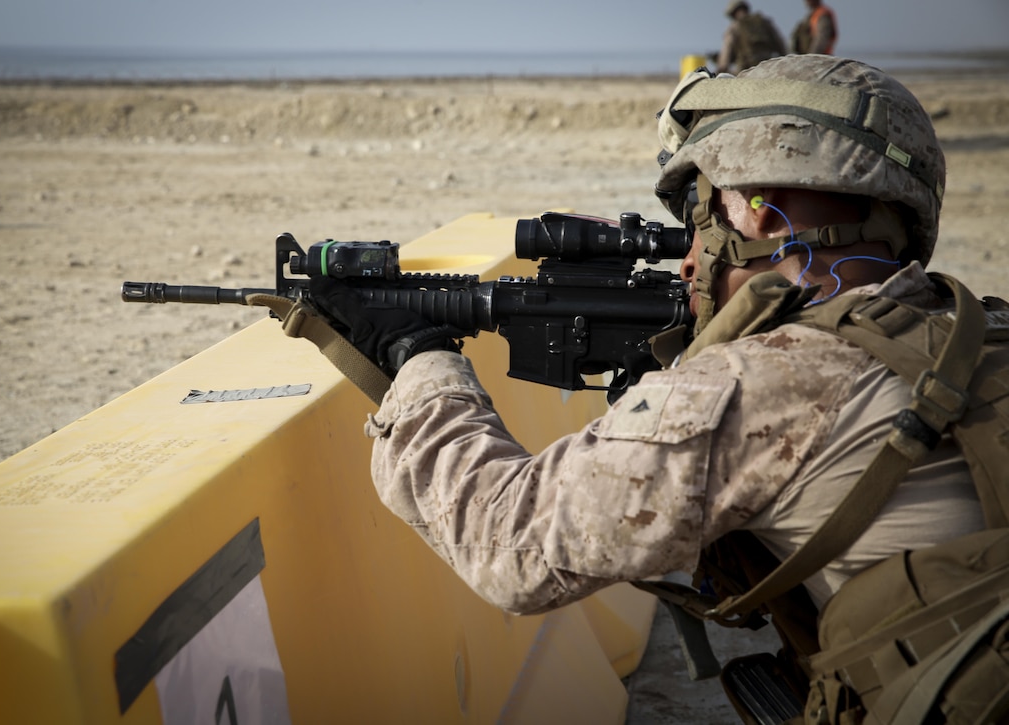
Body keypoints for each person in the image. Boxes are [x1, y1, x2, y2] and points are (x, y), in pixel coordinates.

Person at [305, 55, 1007, 721]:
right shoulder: (975, 332)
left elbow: (510, 542)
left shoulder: (773, 379)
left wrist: (416, 356)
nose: (691, 260)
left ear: (758, 210)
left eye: (702, 217)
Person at [715, 0, 787, 74]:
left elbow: (726, 51)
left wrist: (721, 69)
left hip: (746, 69)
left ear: (733, 13)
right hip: (768, 67)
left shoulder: (734, 27)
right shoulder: (764, 22)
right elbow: (780, 43)